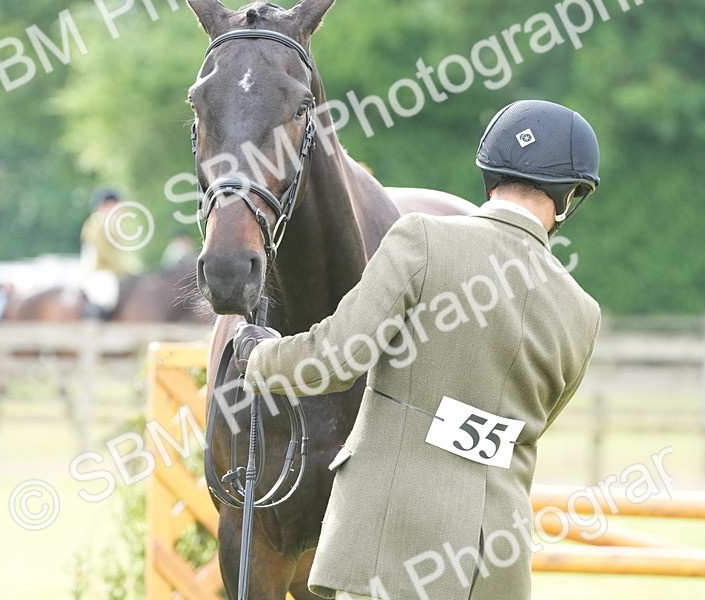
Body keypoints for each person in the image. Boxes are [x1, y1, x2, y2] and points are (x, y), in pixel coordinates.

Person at [235, 100, 602, 600]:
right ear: (569, 198)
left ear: (489, 176)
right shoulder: (582, 312)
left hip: (392, 546)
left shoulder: (422, 238)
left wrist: (260, 360)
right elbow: (529, 427)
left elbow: (338, 357)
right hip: (494, 563)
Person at [78, 188, 142, 319]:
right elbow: (104, 253)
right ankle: (93, 324)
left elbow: (121, 250)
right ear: (106, 205)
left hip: (112, 269)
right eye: (116, 204)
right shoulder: (97, 223)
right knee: (107, 297)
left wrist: (133, 265)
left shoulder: (113, 225)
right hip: (99, 270)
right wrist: (125, 268)